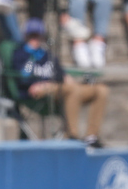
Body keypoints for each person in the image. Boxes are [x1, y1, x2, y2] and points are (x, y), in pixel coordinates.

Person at [11, 19, 108, 147]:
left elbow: (60, 74)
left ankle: (91, 136)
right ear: (26, 36)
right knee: (71, 90)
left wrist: (68, 78)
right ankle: (72, 136)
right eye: (31, 36)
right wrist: (32, 56)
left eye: (37, 36)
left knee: (101, 90)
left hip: (59, 88)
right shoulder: (21, 54)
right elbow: (24, 76)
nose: (35, 39)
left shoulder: (48, 55)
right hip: (37, 90)